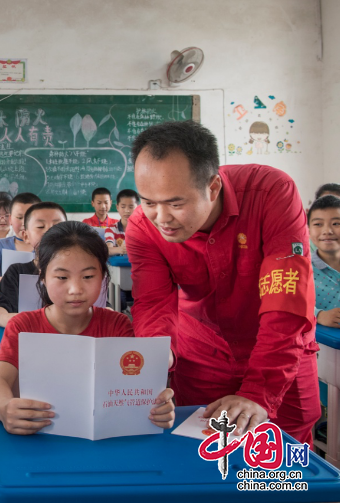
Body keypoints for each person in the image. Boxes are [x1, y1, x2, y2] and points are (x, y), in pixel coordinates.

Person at [127, 120, 319, 445]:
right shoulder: (142, 229)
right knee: (204, 463)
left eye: (175, 203)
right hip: (202, 363)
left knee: (286, 472)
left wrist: (259, 392)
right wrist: (159, 354)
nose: (161, 218)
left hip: (281, 359)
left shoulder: (270, 193)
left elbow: (285, 302)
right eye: (148, 202)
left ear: (213, 188)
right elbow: (153, 304)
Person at [0, 222, 175, 435]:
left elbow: (138, 388)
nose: (75, 289)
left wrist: (158, 408)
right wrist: (4, 409)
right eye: (62, 277)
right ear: (43, 278)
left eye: (88, 277)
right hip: (40, 436)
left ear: (103, 276)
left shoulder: (118, 325)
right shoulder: (22, 326)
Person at [0, 202, 67, 327]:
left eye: (57, 225)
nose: (49, 231)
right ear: (26, 236)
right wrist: (16, 320)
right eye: (40, 226)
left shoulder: (82, 272)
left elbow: (103, 307)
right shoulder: (16, 271)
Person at [0, 193, 41, 290]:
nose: (24, 223)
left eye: (29, 217)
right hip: (10, 299)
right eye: (19, 217)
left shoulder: (49, 246)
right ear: (10, 219)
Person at [308, 195, 340, 328]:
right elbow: (288, 305)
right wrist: (319, 315)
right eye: (318, 224)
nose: (327, 231)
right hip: (320, 346)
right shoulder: (303, 269)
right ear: (308, 229)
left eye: (336, 223)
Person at [105, 189, 139, 256]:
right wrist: (121, 249)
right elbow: (107, 249)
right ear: (117, 207)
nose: (127, 210)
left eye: (131, 207)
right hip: (119, 264)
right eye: (123, 207)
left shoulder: (142, 229)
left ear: (137, 208)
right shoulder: (111, 229)